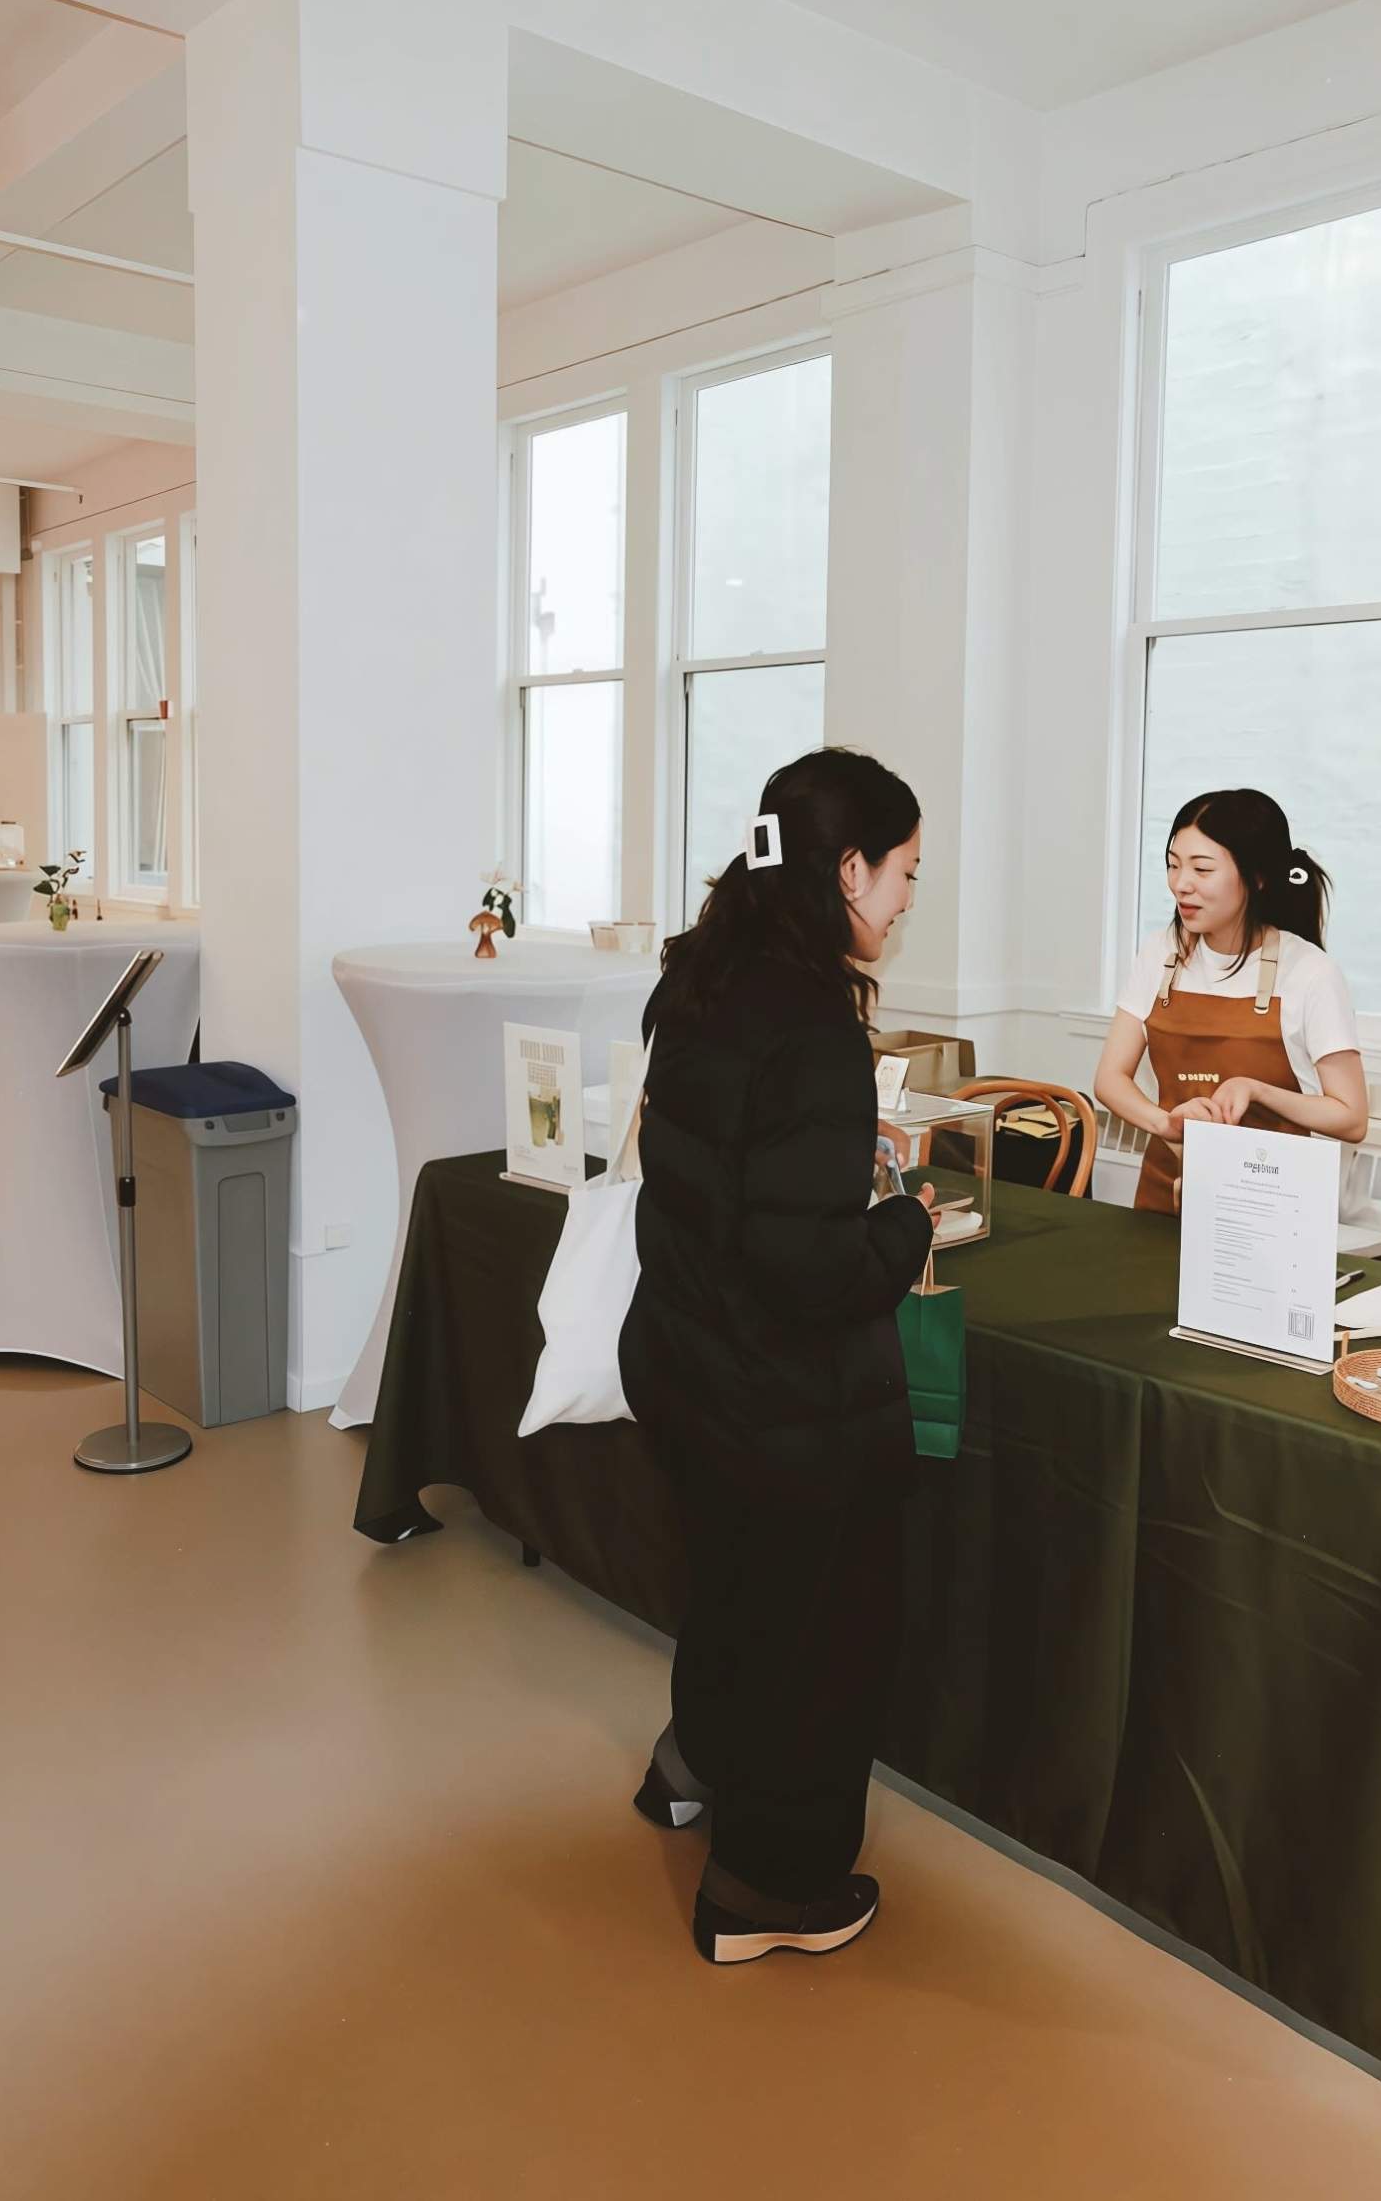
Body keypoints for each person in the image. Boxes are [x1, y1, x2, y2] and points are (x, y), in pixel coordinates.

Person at [620, 748, 938, 1966]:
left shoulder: (706, 975)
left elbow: (716, 1179)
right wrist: (907, 1223)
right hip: (779, 1396)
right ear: (848, 869)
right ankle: (769, 1888)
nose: (909, 900)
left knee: (734, 1592)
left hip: (690, 1363)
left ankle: (693, 1766)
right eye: (904, 872)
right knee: (821, 1637)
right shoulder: (811, 1027)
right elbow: (808, 1272)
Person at [1091, 788, 1370, 1213]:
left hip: (1271, 1206)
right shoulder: (1160, 952)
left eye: (1202, 869)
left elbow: (1351, 1118)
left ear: (1256, 877)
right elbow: (1110, 1079)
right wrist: (1167, 1124)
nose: (1181, 884)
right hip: (1167, 1193)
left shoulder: (1310, 973)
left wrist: (1257, 1091)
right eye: (1173, 865)